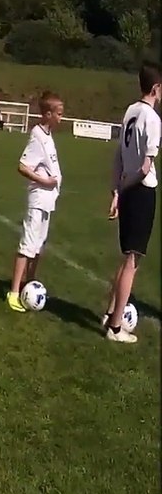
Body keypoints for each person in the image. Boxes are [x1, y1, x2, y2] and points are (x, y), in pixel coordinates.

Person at [102, 64, 161, 344]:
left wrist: (116, 191)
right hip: (140, 191)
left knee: (127, 256)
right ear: (155, 88)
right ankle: (115, 327)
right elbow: (146, 167)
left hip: (127, 190)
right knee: (133, 260)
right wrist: (125, 187)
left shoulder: (129, 112)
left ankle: (110, 313)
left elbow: (118, 157)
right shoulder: (152, 117)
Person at [6, 91, 63, 313]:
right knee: (28, 245)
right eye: (58, 114)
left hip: (48, 202)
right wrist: (44, 181)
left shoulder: (48, 136)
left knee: (38, 247)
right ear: (47, 114)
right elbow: (22, 166)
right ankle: (13, 292)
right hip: (38, 200)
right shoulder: (37, 137)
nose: (61, 118)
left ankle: (28, 284)